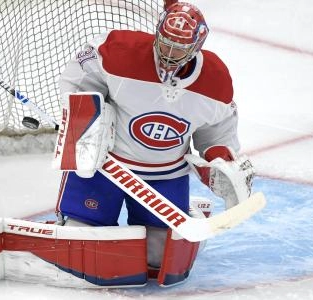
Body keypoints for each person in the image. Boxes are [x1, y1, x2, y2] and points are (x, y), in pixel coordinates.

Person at [54, 1, 255, 287]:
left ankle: (182, 211)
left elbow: (217, 132)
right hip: (106, 166)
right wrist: (87, 114)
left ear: (197, 46)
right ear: (158, 32)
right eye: (166, 42)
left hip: (164, 175)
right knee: (82, 239)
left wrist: (219, 162)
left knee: (159, 259)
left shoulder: (215, 79)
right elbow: (80, 76)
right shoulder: (119, 51)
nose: (169, 53)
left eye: (179, 48)